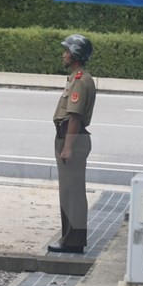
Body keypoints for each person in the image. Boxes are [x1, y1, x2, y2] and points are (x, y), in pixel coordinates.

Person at [48, 34, 96, 254]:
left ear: (76, 55)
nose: (63, 55)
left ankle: (73, 241)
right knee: (69, 191)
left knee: (72, 193)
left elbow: (74, 117)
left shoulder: (80, 80)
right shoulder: (76, 78)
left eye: (67, 51)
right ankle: (70, 238)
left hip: (72, 139)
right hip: (69, 137)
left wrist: (67, 148)